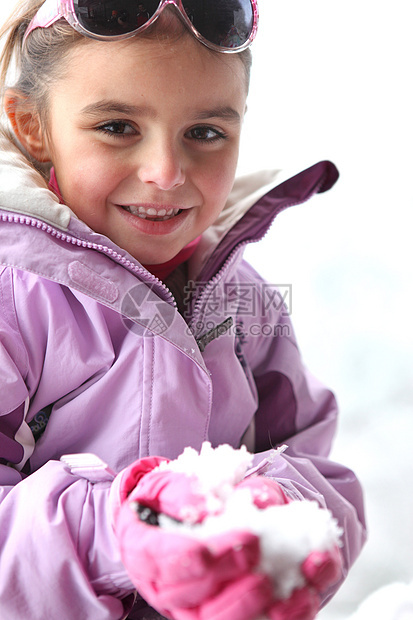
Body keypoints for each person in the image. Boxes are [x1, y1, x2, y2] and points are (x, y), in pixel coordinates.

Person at [0, 1, 366, 618]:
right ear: (34, 127)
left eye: (204, 133)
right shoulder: (14, 296)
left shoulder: (241, 297)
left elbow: (316, 464)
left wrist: (276, 509)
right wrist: (130, 528)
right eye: (117, 126)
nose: (166, 174)